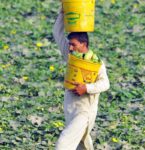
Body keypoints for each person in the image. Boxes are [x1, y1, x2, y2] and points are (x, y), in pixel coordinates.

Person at [53, 8, 110, 150]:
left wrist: (86, 88)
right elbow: (56, 33)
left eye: (73, 44)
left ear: (83, 44)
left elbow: (105, 84)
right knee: (81, 146)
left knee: (63, 144)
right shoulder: (70, 55)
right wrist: (63, 12)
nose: (70, 47)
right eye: (70, 44)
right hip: (70, 109)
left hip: (84, 113)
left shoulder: (96, 63)